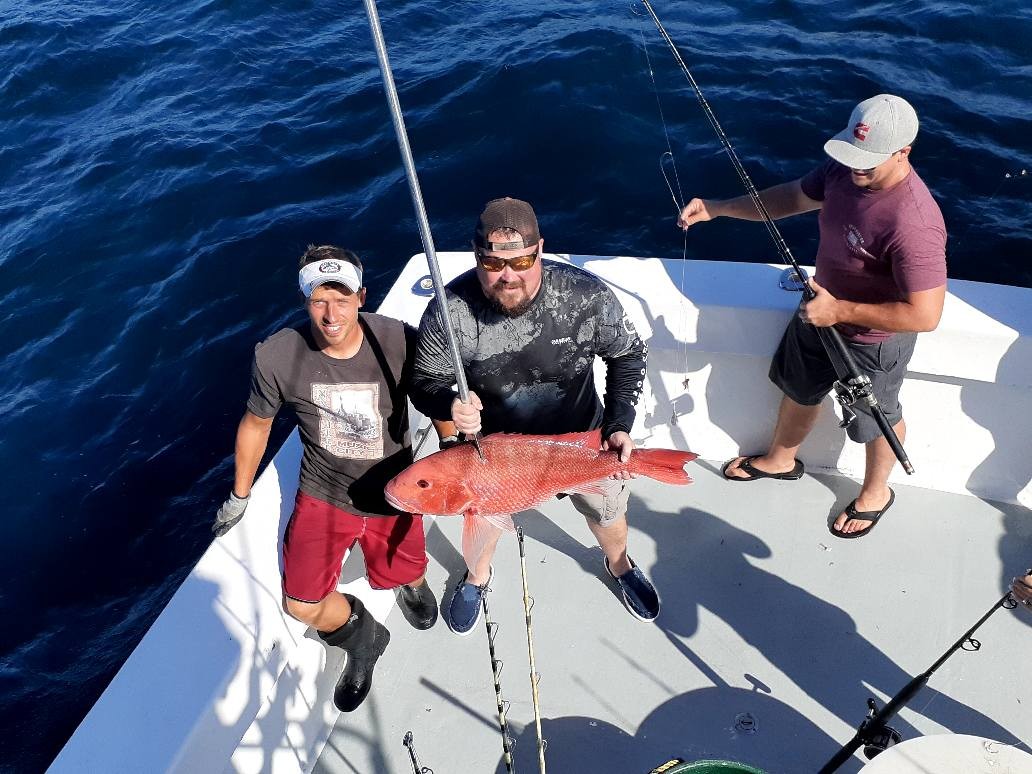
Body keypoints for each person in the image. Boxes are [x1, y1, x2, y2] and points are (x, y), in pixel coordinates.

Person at [678, 94, 947, 538]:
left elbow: (926, 314)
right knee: (799, 389)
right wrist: (719, 207)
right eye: (853, 156)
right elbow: (792, 197)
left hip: (871, 342)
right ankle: (781, 460)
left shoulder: (914, 223)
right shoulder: (844, 169)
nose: (857, 168)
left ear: (905, 152)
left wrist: (839, 310)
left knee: (874, 416)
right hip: (818, 310)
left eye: (869, 162)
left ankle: (877, 492)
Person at [212, 245, 446, 713]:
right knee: (301, 604)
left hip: (392, 492)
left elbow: (437, 402)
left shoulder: (399, 341)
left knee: (409, 570)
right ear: (304, 301)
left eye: (341, 298)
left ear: (362, 295)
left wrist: (453, 451)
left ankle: (410, 585)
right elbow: (256, 424)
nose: (330, 312)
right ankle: (362, 638)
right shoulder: (277, 355)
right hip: (324, 493)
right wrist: (239, 496)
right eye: (319, 299)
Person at [410, 196, 658, 635]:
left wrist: (618, 425)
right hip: (491, 456)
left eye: (521, 260)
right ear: (476, 256)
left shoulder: (586, 297)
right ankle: (477, 576)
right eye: (492, 263)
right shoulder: (451, 313)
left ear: (540, 249)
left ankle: (619, 565)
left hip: (581, 441)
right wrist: (449, 403)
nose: (507, 276)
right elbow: (425, 382)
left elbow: (628, 355)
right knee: (479, 523)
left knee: (608, 514)